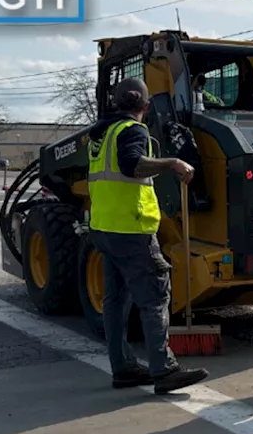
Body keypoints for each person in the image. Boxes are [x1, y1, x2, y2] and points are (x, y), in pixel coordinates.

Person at [87, 78, 209, 394]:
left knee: (115, 301)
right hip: (131, 229)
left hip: (104, 228)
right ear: (145, 104)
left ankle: (124, 367)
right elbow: (131, 165)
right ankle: (163, 369)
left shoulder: (100, 134)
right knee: (155, 295)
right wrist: (172, 162)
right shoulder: (132, 130)